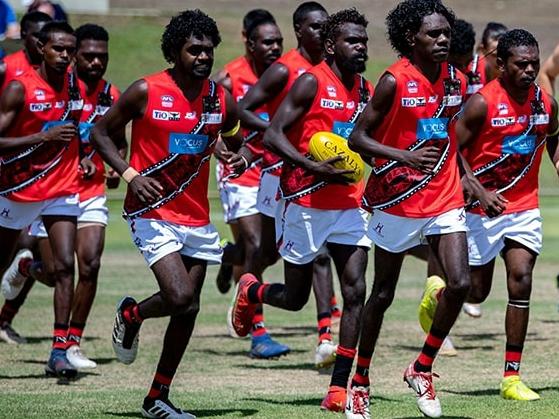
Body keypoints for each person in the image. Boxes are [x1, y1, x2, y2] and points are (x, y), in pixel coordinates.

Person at [91, 10, 250, 418]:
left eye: (208, 50)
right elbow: (100, 132)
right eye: (193, 49)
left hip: (196, 218)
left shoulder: (219, 98)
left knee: (189, 308)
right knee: (180, 296)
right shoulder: (146, 90)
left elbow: (235, 135)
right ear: (174, 52)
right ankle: (132, 314)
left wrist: (239, 155)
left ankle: (156, 398)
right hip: (151, 211)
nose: (202, 56)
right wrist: (128, 173)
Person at [229, 7, 373, 412]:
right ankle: (252, 289)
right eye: (352, 41)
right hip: (305, 202)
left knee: (355, 290)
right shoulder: (310, 82)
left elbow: (364, 143)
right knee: (294, 297)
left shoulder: (364, 89)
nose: (361, 48)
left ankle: (338, 389)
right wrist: (313, 166)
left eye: (364, 41)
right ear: (331, 46)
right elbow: (273, 134)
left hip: (349, 203)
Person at [346, 1, 470, 417]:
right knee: (382, 294)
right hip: (397, 200)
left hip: (445, 197)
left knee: (460, 283)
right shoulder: (393, 81)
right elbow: (357, 138)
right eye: (433, 34)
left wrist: (465, 174)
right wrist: (402, 156)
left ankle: (422, 367)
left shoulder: (456, 79)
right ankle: (359, 381)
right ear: (410, 39)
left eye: (445, 33)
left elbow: (454, 134)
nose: (442, 40)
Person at [454, 29, 558, 401]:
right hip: (479, 209)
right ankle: (439, 297)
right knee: (476, 292)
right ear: (500, 65)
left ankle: (511, 377)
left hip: (524, 207)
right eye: (521, 64)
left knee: (521, 278)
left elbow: (554, 135)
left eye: (534, 63)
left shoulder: (546, 103)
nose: (530, 70)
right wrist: (479, 191)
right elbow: (452, 149)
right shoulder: (482, 103)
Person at [239, 1, 342, 367]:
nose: (323, 33)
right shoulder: (285, 70)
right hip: (279, 176)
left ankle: (326, 337)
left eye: (327, 27)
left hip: (323, 177)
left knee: (323, 254)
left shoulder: (333, 69)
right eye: (316, 27)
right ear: (299, 30)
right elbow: (244, 108)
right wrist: (278, 134)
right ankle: (250, 304)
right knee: (263, 253)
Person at [27, 23, 126, 369]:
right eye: (89, 56)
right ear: (73, 54)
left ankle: (71, 344)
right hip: (53, 187)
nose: (97, 62)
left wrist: (113, 167)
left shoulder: (111, 95)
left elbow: (117, 140)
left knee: (91, 264)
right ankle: (27, 267)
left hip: (90, 191)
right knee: (56, 271)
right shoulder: (59, 86)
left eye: (103, 56)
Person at [0, 20, 82, 379]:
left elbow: (82, 126)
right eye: (58, 49)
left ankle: (59, 351)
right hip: (18, 189)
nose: (65, 56)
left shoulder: (74, 84)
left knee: (65, 267)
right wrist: (42, 138)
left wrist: (90, 157)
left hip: (62, 187)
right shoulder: (19, 89)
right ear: (41, 48)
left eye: (70, 50)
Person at [212, 9, 289, 359]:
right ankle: (258, 332)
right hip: (238, 169)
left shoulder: (287, 76)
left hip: (272, 172)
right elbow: (206, 117)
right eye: (267, 42)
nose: (274, 48)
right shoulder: (229, 78)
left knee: (270, 250)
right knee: (257, 244)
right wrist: (218, 148)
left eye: (279, 42)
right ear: (249, 41)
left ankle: (228, 258)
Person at [0, 10, 52, 344]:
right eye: (38, 37)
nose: (45, 44)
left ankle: (5, 318)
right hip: (8, 173)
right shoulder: (7, 68)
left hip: (46, 178)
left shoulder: (61, 73)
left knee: (46, 259)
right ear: (25, 36)